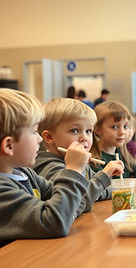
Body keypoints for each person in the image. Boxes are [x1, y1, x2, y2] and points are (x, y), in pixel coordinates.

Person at [0, 89, 89, 246]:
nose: (40, 139)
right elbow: (56, 222)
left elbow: (76, 203)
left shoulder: (25, 174)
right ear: (9, 145)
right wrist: (73, 170)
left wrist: (65, 208)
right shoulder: (2, 189)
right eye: (34, 132)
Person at [33, 98, 124, 216]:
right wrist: (103, 176)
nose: (84, 138)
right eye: (75, 130)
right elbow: (80, 200)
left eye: (88, 131)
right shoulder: (51, 167)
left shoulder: (80, 164)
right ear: (49, 137)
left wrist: (121, 186)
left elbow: (99, 192)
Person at [91, 101, 136, 193]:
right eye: (114, 127)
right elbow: (100, 192)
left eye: (125, 126)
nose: (122, 132)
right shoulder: (94, 161)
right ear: (97, 129)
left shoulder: (121, 152)